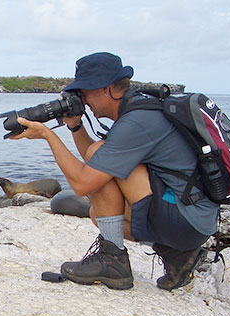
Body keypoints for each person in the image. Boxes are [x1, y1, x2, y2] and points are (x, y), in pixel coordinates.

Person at [11, 52, 218, 291]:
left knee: (100, 160)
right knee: (98, 214)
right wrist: (75, 126)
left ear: (106, 89)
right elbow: (97, 160)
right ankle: (177, 256)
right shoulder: (140, 109)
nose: (83, 100)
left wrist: (48, 135)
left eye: (85, 93)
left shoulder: (137, 122)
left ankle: (113, 262)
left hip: (186, 218)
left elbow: (83, 184)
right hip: (194, 220)